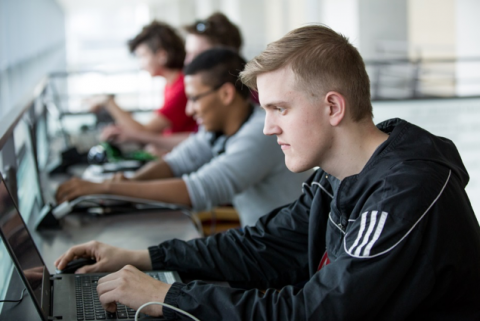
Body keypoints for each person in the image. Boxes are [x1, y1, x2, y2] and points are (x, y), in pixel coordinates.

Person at [55, 25, 480, 320]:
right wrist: (145, 258)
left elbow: (314, 312)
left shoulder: (404, 194)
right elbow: (262, 246)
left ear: (333, 107)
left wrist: (169, 296)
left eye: (280, 109)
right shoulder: (333, 177)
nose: (268, 127)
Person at [56, 48, 312, 227]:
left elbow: (199, 190)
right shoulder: (218, 130)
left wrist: (106, 188)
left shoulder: (260, 132)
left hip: (282, 263)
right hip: (257, 244)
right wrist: (131, 181)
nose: (189, 110)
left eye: (195, 98)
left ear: (225, 94)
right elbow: (178, 162)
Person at [93, 20, 197, 148]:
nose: (141, 65)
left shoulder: (182, 87)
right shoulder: (170, 85)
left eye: (143, 56)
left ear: (162, 55)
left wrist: (108, 102)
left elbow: (144, 131)